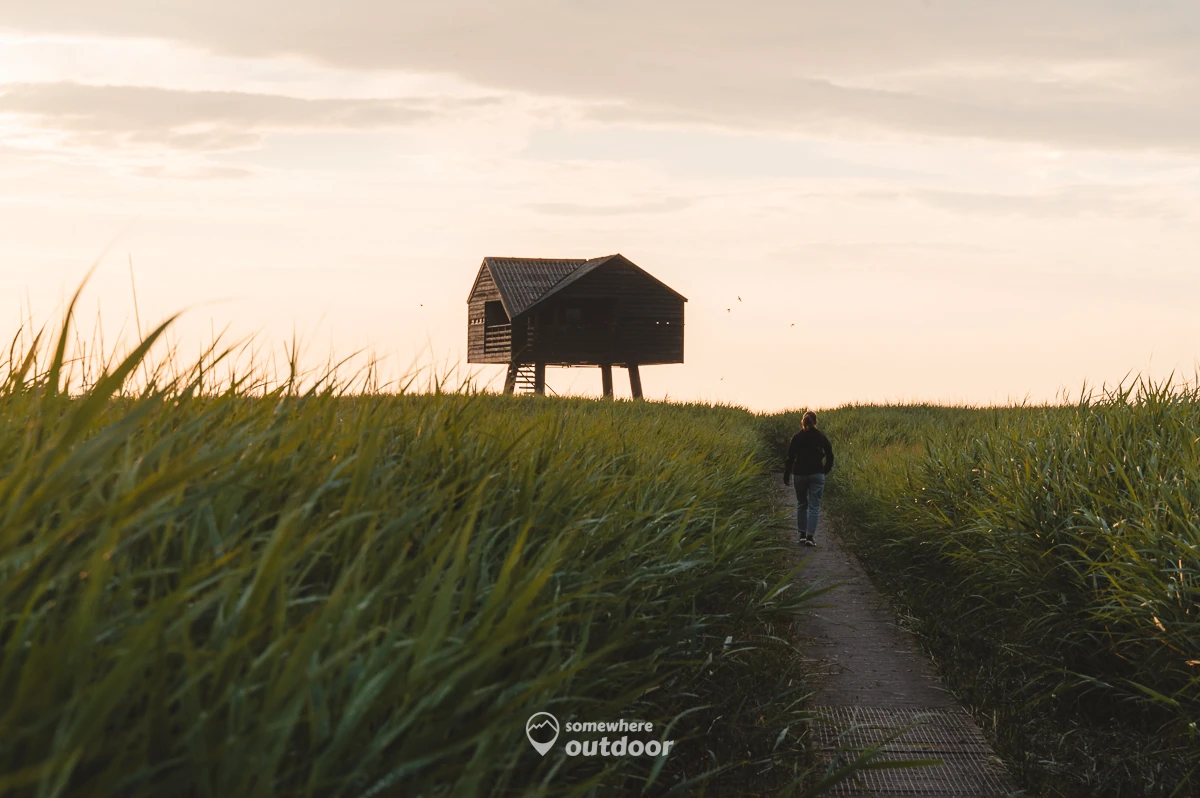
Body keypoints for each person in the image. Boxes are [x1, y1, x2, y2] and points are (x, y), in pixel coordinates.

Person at [782, 411, 834, 546]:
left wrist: (787, 474)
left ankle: (802, 536)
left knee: (802, 504)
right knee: (814, 506)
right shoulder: (820, 436)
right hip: (817, 473)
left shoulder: (797, 437)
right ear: (815, 422)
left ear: (803, 422)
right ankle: (810, 538)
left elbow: (790, 457)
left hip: (799, 474)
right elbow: (830, 454)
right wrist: (825, 470)